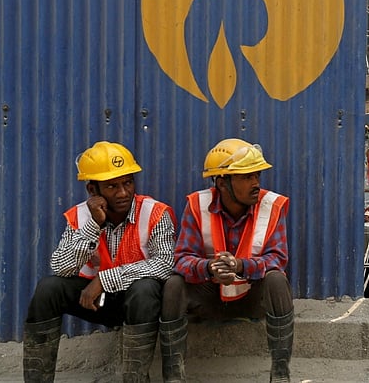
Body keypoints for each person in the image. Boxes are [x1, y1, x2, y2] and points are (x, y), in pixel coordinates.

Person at [23, 141, 175, 383]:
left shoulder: (155, 212)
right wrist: (94, 225)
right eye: (112, 186)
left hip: (137, 303)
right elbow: (61, 267)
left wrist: (104, 280)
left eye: (127, 183)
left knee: (146, 288)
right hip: (94, 302)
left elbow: (166, 263)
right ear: (93, 190)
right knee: (48, 288)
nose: (123, 193)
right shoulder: (81, 216)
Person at [160, 138, 294, 383]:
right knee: (173, 285)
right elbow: (181, 259)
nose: (256, 183)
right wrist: (209, 268)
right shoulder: (198, 205)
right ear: (222, 183)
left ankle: (281, 374)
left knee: (277, 280)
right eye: (246, 177)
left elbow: (277, 259)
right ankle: (173, 376)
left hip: (252, 297)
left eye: (257, 176)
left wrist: (241, 265)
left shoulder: (271, 206)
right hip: (210, 297)